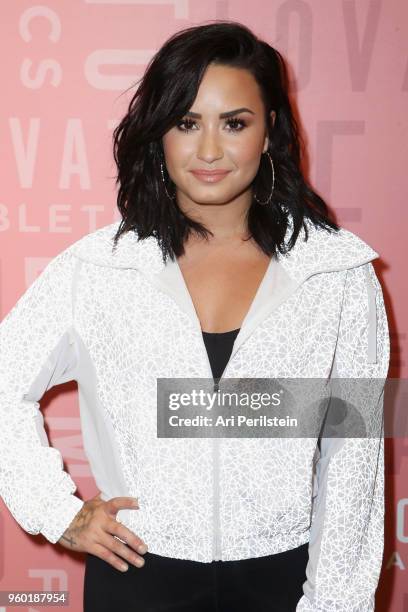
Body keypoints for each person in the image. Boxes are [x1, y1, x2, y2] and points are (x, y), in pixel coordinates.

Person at [0, 20, 390, 612]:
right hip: (135, 574)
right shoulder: (97, 270)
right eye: (187, 123)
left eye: (234, 123)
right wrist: (58, 512)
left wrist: (335, 602)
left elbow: (354, 452)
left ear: (270, 132)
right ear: (158, 135)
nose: (209, 150)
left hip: (287, 579)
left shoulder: (334, 272)